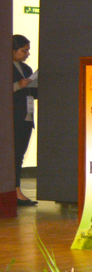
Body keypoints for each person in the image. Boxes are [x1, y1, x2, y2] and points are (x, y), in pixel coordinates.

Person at [12, 35, 37, 207]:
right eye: (24, 50)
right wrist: (17, 85)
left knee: (19, 155)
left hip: (26, 117)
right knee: (13, 156)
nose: (27, 54)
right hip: (11, 118)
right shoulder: (5, 67)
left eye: (28, 50)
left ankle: (16, 190)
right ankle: (15, 191)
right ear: (12, 50)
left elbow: (32, 94)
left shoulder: (27, 68)